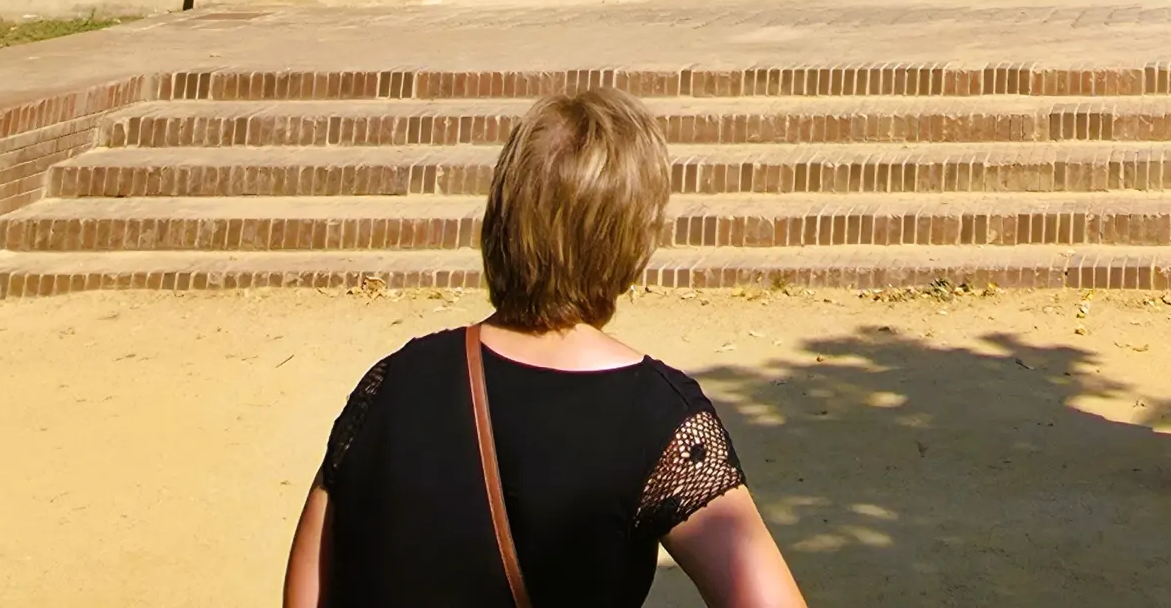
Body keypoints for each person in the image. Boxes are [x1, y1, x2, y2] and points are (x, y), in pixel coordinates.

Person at [283, 88, 809, 608]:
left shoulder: (390, 384)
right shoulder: (660, 418)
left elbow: (306, 593)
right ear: (630, 238)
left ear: (503, 213)